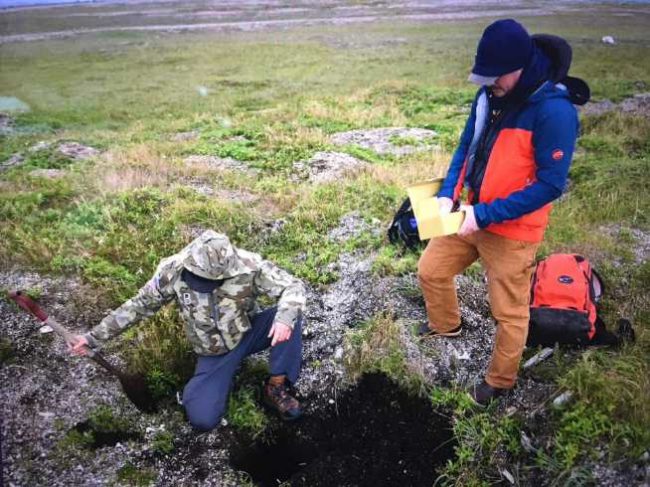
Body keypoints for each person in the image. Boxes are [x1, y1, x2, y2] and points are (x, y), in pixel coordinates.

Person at [417, 19, 579, 405]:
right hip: (471, 212)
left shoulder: (554, 111)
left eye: (496, 75)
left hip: (513, 229)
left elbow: (550, 185)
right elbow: (464, 148)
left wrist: (485, 215)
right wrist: (446, 194)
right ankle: (446, 326)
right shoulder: (488, 96)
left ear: (520, 65)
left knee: (509, 312)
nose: (489, 82)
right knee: (430, 270)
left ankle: (500, 382)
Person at [69, 230, 306, 430]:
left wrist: (284, 318)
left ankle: (275, 386)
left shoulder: (250, 265)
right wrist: (92, 338)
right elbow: (138, 306)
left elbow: (293, 286)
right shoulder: (172, 270)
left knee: (290, 315)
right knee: (203, 419)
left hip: (250, 331)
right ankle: (200, 389)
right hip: (214, 353)